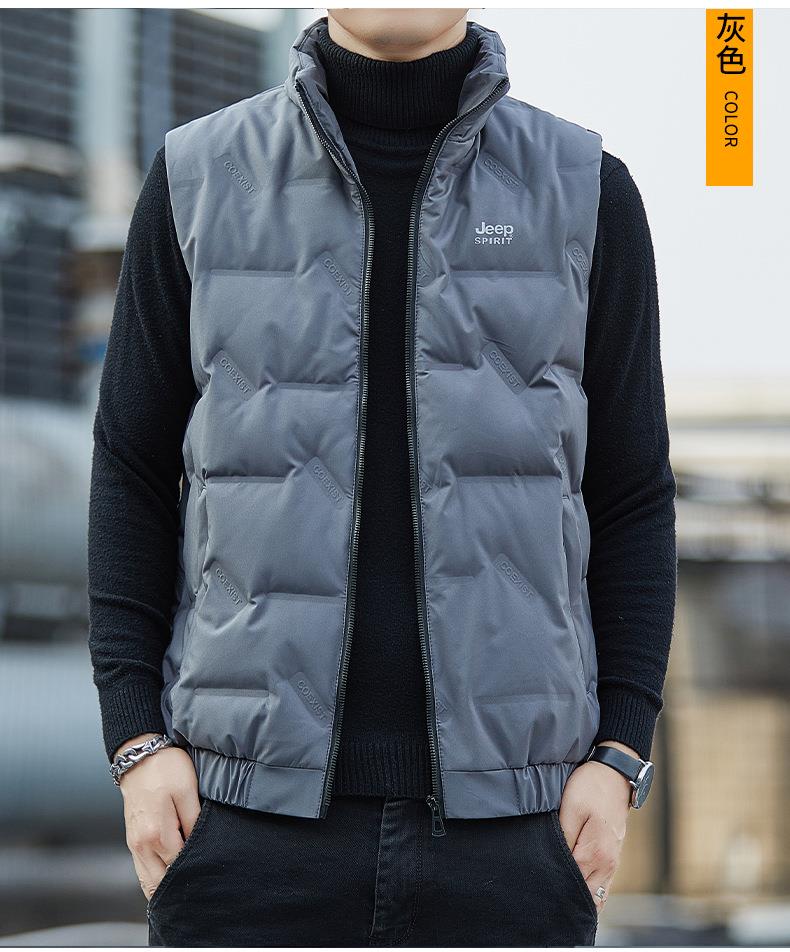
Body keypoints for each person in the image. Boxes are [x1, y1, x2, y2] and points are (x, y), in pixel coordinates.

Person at [88, 8, 677, 947]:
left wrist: (620, 752)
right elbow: (131, 470)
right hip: (239, 823)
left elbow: (634, 493)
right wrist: (135, 741)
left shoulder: (586, 187)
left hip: (515, 834)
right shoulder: (198, 174)